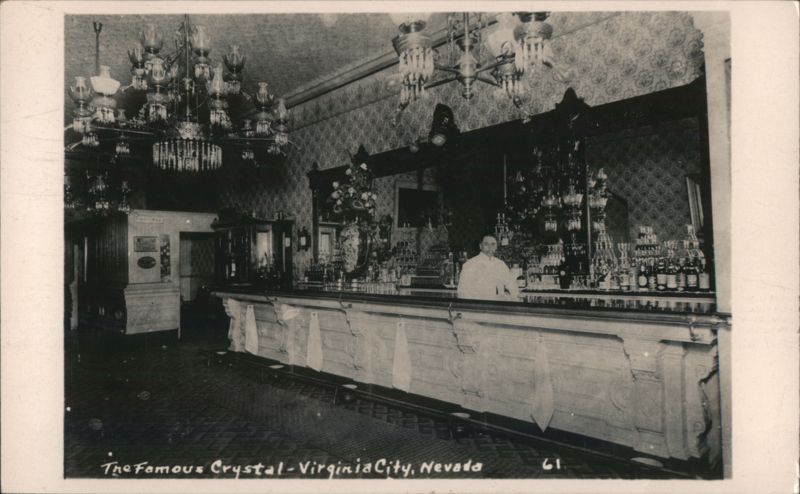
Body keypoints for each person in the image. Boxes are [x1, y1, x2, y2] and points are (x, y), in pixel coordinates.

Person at [457, 234, 519, 301]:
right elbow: (462, 292)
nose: (490, 247)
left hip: (498, 307)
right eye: (486, 244)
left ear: (496, 247)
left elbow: (511, 284)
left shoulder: (500, 264)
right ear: (480, 246)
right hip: (478, 307)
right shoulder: (470, 265)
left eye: (493, 244)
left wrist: (513, 296)